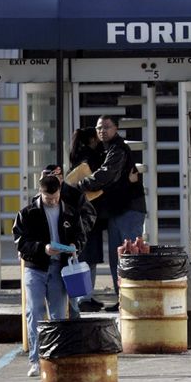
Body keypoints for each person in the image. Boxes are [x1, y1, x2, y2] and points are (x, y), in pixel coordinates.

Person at [13, 175, 87, 377]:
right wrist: (42, 249)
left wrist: (75, 247)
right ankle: (36, 360)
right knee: (34, 312)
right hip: (35, 268)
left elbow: (81, 236)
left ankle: (56, 359)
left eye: (55, 197)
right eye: (48, 198)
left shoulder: (70, 212)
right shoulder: (27, 214)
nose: (52, 201)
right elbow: (21, 242)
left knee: (58, 316)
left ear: (60, 191)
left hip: (60, 268)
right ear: (40, 193)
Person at [77, 115, 147, 312]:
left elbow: (107, 174)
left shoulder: (118, 148)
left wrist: (80, 184)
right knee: (118, 258)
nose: (102, 131)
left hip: (129, 209)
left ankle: (133, 300)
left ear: (116, 128)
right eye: (99, 128)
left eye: (107, 127)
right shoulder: (105, 149)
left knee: (130, 257)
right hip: (117, 211)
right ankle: (123, 300)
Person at [39, 165, 97, 318]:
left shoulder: (74, 195)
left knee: (72, 296)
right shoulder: (40, 198)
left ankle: (73, 332)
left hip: (69, 252)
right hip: (49, 255)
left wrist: (76, 237)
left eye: (55, 178)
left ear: (61, 178)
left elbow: (89, 215)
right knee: (49, 301)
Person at [67, 128, 106, 312]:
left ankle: (86, 295)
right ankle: (84, 297)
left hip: (79, 215)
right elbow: (97, 183)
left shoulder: (76, 157)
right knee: (88, 258)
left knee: (84, 257)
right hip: (88, 214)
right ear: (92, 139)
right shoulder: (90, 158)